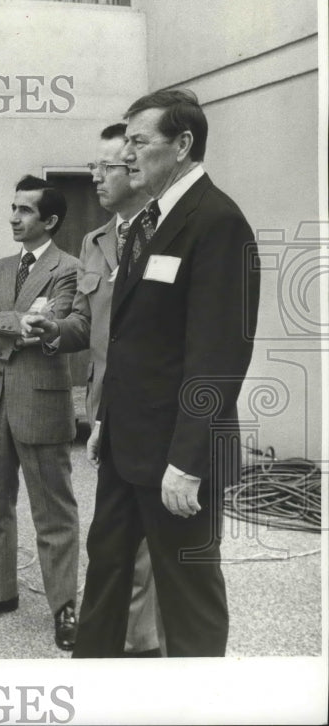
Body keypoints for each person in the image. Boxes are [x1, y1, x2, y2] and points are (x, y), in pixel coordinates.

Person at [70, 89, 259, 658]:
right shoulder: (147, 221)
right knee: (105, 577)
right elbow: (132, 341)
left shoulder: (217, 222)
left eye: (138, 142)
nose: (126, 155)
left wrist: (188, 462)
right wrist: (105, 418)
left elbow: (218, 358)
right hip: (127, 443)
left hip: (176, 459)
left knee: (189, 598)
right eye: (125, 141)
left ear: (182, 145)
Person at [23, 123, 163, 657]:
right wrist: (54, 330)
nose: (96, 177)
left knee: (147, 537)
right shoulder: (96, 241)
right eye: (93, 168)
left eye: (106, 167)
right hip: (105, 402)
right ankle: (122, 632)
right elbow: (85, 323)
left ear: (134, 167)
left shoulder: (162, 234)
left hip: (147, 405)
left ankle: (140, 643)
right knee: (117, 530)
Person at [0, 175, 80, 651]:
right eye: (13, 207)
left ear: (49, 220)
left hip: (41, 403)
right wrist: (11, 321)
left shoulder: (68, 268)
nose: (13, 216)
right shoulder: (0, 267)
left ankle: (64, 607)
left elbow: (50, 328)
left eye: (25, 210)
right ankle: (0, 592)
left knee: (53, 512)